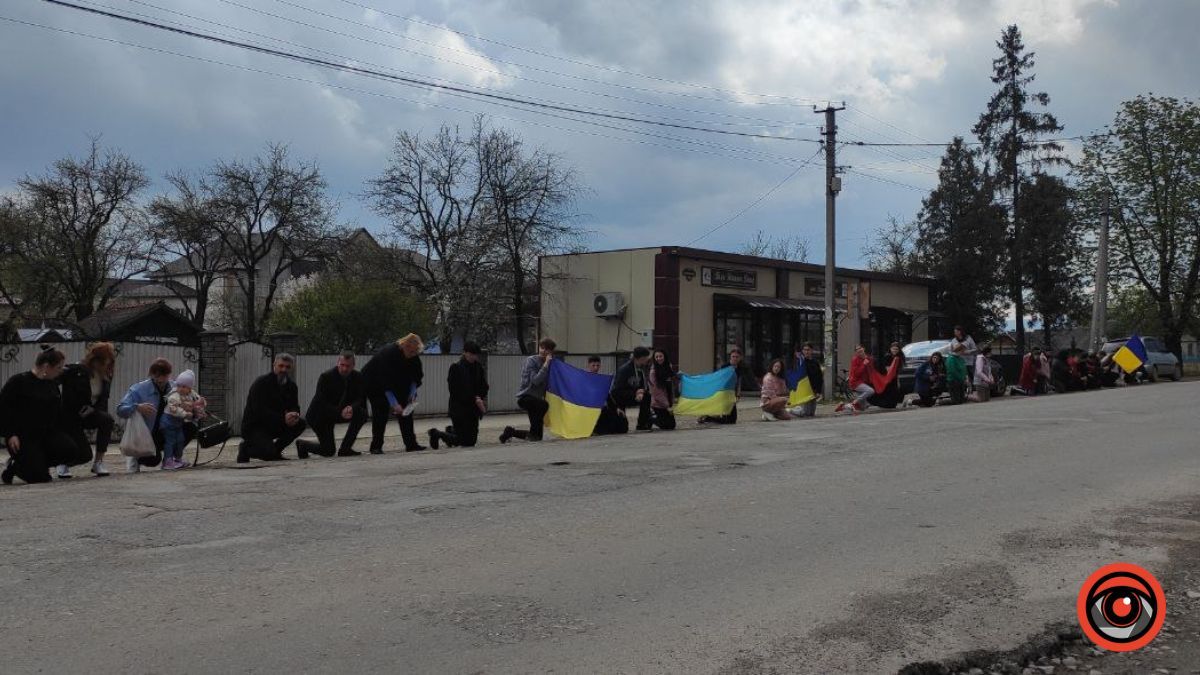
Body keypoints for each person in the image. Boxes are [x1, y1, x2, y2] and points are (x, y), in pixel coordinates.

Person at [0, 346, 89, 484]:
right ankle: (17, 467)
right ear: (46, 366)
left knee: (70, 450)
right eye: (59, 367)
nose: (61, 371)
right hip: (22, 437)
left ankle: (36, 464)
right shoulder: (18, 382)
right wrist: (10, 434)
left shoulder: (51, 384)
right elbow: (4, 409)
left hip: (46, 433)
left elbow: (56, 412)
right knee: (40, 478)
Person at [59, 341, 117, 477]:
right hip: (71, 417)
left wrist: (99, 413)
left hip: (90, 414)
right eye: (104, 363)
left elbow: (103, 399)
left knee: (107, 420)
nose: (106, 367)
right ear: (94, 360)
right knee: (84, 455)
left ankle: (99, 462)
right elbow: (54, 378)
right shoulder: (75, 371)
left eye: (109, 363)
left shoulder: (106, 376)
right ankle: (63, 463)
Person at [237, 354, 306, 463]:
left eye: (287, 367)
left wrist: (294, 415)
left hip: (275, 424)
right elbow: (258, 411)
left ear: (291, 368)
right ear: (274, 365)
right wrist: (283, 418)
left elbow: (294, 405)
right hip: (255, 426)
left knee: (301, 424)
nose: (284, 369)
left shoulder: (291, 386)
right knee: (268, 454)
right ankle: (245, 449)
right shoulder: (261, 383)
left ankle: (276, 450)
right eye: (281, 366)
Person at [362, 334, 425, 453]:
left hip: (396, 383)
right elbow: (385, 383)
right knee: (381, 411)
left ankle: (411, 444)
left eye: (416, 352)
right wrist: (394, 404)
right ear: (404, 346)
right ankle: (376, 446)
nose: (413, 355)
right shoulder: (388, 354)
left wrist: (412, 394)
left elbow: (415, 377)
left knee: (406, 411)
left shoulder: (413, 356)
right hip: (374, 383)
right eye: (411, 351)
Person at [299, 351, 367, 458]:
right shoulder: (326, 377)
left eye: (348, 366)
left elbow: (360, 398)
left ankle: (345, 449)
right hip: (319, 416)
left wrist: (351, 408)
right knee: (328, 451)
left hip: (339, 412)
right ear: (338, 363)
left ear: (353, 365)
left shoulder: (358, 377)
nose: (344, 369)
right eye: (342, 365)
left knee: (362, 414)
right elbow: (321, 402)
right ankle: (302, 445)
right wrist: (340, 412)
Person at [116, 358, 177, 474]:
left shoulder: (175, 388)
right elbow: (120, 410)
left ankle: (170, 459)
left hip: (165, 431)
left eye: (164, 376)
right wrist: (137, 407)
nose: (160, 380)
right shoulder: (138, 389)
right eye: (157, 377)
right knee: (153, 460)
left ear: (169, 375)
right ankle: (136, 456)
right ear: (152, 375)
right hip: (145, 435)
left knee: (189, 428)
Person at [429, 342, 489, 449]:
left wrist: (479, 396)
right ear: (465, 353)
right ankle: (436, 434)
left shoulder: (478, 367)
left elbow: (484, 386)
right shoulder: (456, 367)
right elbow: (454, 390)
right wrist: (471, 398)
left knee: (471, 441)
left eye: (475, 355)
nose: (473, 357)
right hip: (460, 408)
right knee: (464, 442)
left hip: (473, 408)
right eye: (471, 354)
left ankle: (451, 431)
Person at [500, 338, 555, 443]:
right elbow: (535, 380)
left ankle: (509, 432)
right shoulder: (531, 360)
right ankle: (524, 432)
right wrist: (546, 364)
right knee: (544, 405)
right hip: (526, 398)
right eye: (541, 348)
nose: (543, 351)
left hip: (536, 401)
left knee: (536, 436)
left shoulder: (551, 364)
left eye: (547, 349)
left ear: (551, 352)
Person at [162, 369, 204, 470]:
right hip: (168, 422)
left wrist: (200, 404)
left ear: (189, 388)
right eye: (179, 385)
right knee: (170, 441)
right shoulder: (174, 395)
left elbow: (198, 399)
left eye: (184, 386)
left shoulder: (190, 394)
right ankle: (167, 461)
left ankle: (177, 459)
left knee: (180, 440)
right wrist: (185, 414)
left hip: (178, 424)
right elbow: (173, 409)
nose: (180, 388)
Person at [610, 347, 654, 431]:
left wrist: (641, 392)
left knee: (647, 396)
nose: (647, 361)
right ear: (641, 358)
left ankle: (642, 424)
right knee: (622, 428)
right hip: (620, 398)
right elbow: (617, 391)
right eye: (646, 359)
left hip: (634, 395)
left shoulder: (641, 368)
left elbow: (643, 386)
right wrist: (634, 393)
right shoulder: (624, 370)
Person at [699, 347, 746, 424]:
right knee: (727, 420)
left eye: (737, 357)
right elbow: (720, 380)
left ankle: (709, 418)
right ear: (730, 357)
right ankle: (708, 418)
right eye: (733, 356)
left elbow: (739, 382)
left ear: (740, 358)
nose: (735, 358)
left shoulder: (740, 368)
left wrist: (738, 395)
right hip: (724, 393)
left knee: (732, 420)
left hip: (732, 394)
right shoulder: (725, 366)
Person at [589, 356, 628, 436]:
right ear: (589, 366)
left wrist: (616, 408)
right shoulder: (585, 379)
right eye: (593, 365)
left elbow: (608, 396)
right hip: (591, 409)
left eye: (597, 365)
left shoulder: (602, 380)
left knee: (622, 425)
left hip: (603, 409)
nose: (596, 368)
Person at [838, 344, 875, 413]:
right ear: (856, 352)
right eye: (857, 349)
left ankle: (843, 407)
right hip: (856, 382)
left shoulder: (868, 358)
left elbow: (871, 368)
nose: (859, 350)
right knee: (870, 391)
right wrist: (863, 364)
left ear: (863, 348)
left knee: (862, 407)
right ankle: (855, 401)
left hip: (863, 382)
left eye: (860, 348)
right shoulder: (855, 359)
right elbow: (857, 373)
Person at [790, 343, 824, 418]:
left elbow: (819, 377)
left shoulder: (815, 362)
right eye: (804, 350)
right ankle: (789, 411)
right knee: (805, 412)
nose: (806, 352)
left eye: (808, 350)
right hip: (805, 390)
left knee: (811, 413)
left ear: (811, 351)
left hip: (813, 390)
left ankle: (793, 411)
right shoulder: (801, 362)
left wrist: (818, 391)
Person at [647, 348, 677, 431]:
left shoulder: (668, 367)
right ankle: (650, 418)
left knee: (672, 425)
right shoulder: (653, 372)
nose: (659, 358)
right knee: (666, 426)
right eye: (656, 357)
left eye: (660, 356)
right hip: (658, 403)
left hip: (668, 401)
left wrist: (679, 376)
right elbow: (656, 391)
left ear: (665, 357)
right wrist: (666, 405)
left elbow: (671, 383)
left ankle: (655, 418)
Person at [869, 342, 904, 409]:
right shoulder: (888, 357)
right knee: (889, 391)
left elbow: (897, 370)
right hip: (888, 377)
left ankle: (892, 404)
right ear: (890, 349)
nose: (895, 350)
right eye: (893, 349)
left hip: (894, 377)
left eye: (896, 349)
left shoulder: (898, 357)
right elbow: (887, 368)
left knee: (894, 391)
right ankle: (887, 404)